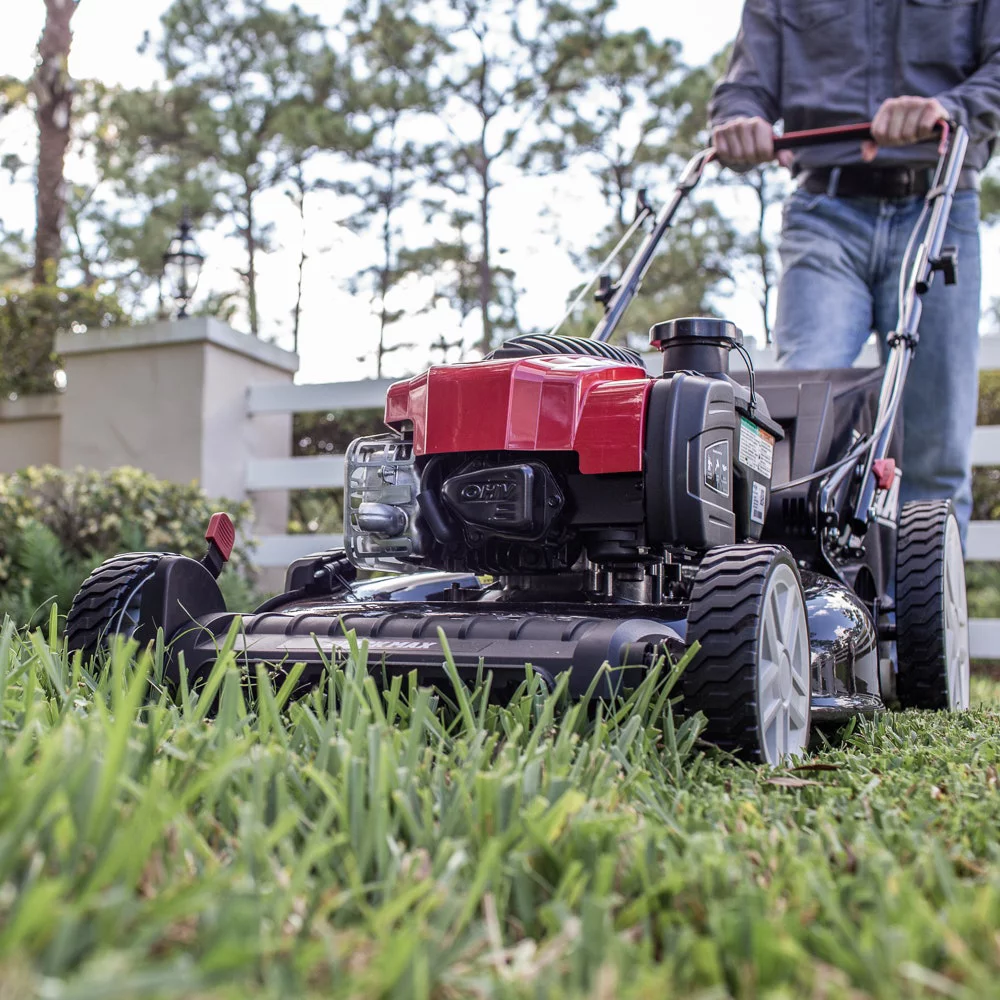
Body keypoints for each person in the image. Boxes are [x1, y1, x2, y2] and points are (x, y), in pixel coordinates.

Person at [709, 0, 1000, 546]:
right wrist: (737, 121)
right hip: (824, 211)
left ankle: (924, 624)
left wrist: (946, 106)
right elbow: (743, 86)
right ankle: (807, 616)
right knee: (799, 427)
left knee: (935, 450)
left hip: (940, 204)